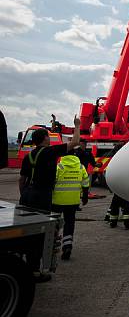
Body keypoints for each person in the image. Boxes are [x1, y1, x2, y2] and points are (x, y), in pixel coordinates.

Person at [18, 116, 80, 280]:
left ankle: (22, 264)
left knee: (25, 230)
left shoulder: (28, 156)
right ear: (45, 138)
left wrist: (24, 194)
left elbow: (21, 179)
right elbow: (74, 142)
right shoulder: (50, 152)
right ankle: (34, 270)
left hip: (27, 195)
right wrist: (77, 126)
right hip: (42, 195)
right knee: (40, 232)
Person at [52, 153, 90, 260]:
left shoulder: (59, 166)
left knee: (54, 223)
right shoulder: (80, 167)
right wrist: (85, 197)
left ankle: (52, 245)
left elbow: (52, 182)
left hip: (57, 201)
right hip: (73, 202)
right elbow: (86, 183)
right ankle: (67, 246)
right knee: (69, 223)